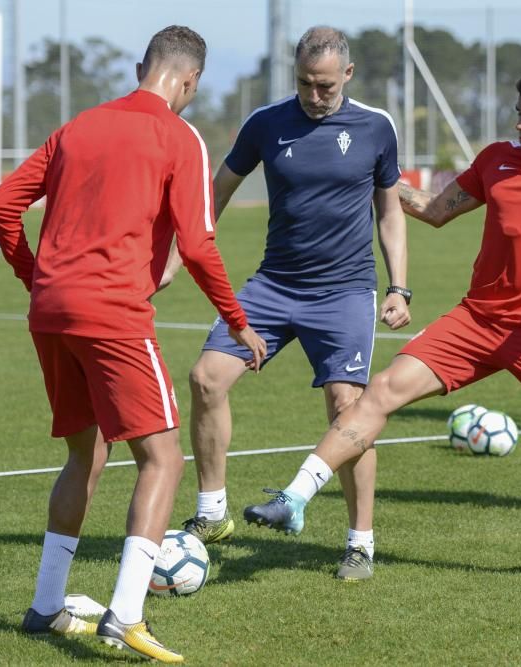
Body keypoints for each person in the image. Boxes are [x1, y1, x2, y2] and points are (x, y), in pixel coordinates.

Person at [243, 62, 521, 577]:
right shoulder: (496, 159)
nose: (520, 124)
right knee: (380, 390)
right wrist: (369, 179)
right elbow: (432, 208)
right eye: (517, 113)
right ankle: (295, 498)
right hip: (476, 322)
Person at [0, 26, 265, 663]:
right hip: (112, 315)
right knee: (162, 459)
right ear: (190, 82)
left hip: (51, 313)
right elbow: (198, 243)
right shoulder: (179, 137)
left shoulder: (78, 126)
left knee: (87, 453)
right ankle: (126, 618)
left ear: (143, 67)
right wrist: (238, 321)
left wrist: (37, 276)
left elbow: (1, 205)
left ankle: (46, 606)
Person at [164, 26, 410, 582]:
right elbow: (217, 190)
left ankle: (359, 543)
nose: (314, 95)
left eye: (324, 86)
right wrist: (180, 254)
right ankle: (212, 513)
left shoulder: (375, 127)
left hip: (345, 291)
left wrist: (399, 286)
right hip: (273, 286)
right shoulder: (266, 123)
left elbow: (390, 211)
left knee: (350, 408)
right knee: (206, 376)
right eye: (304, 83)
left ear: (347, 75)